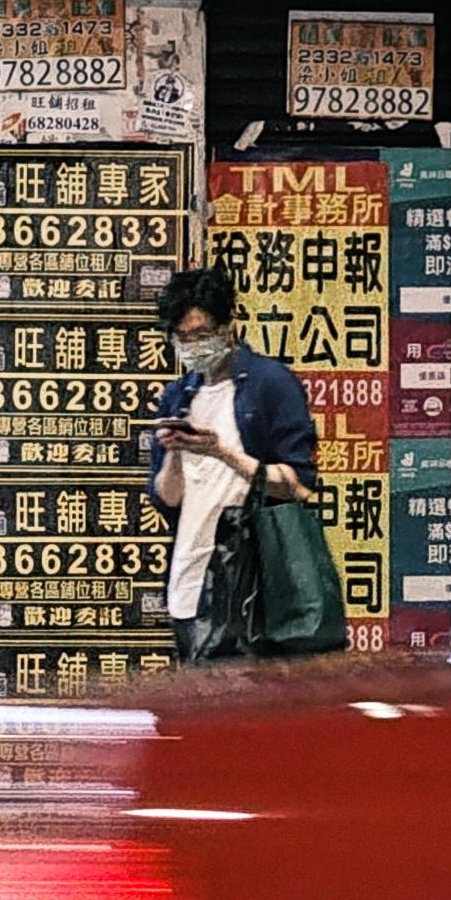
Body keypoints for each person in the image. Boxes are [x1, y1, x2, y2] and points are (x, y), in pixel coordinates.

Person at [148, 265, 319, 662]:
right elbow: (168, 499)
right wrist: (174, 450)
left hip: (255, 592)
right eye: (182, 338)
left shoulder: (270, 384)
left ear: (229, 326)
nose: (192, 346)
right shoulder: (178, 396)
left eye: (202, 334)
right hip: (190, 586)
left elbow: (299, 485)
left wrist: (222, 452)